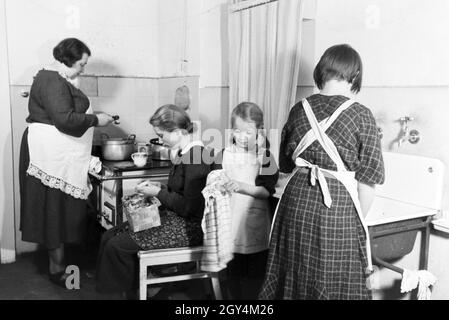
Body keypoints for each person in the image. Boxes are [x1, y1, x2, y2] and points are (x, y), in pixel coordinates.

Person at [259, 44, 385, 300]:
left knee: (293, 270)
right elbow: (368, 181)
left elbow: (285, 165)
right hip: (335, 206)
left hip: (295, 201)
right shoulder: (361, 115)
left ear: (321, 73)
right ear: (355, 76)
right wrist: (353, 221)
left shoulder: (298, 109)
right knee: (334, 278)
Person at [19, 38, 114, 287]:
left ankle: (65, 266)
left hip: (57, 153)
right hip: (49, 157)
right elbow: (65, 120)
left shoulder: (57, 78)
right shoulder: (51, 80)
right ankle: (57, 269)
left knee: (60, 210)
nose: (83, 68)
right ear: (67, 59)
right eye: (81, 64)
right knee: (54, 211)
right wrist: (96, 120)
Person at [95, 104, 216, 298]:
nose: (160, 140)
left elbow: (190, 208)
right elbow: (181, 192)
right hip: (176, 220)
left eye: (161, 135)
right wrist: (159, 188)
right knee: (109, 235)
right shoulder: (186, 153)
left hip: (189, 229)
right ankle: (135, 290)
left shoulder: (196, 157)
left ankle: (128, 293)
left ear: (177, 132)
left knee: (116, 245)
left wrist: (158, 192)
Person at [214, 102, 279, 299]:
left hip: (256, 224)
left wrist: (240, 186)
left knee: (255, 278)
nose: (242, 137)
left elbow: (266, 191)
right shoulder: (223, 155)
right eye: (237, 131)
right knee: (233, 275)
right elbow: (214, 181)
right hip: (230, 223)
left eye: (248, 132)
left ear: (260, 130)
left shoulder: (265, 157)